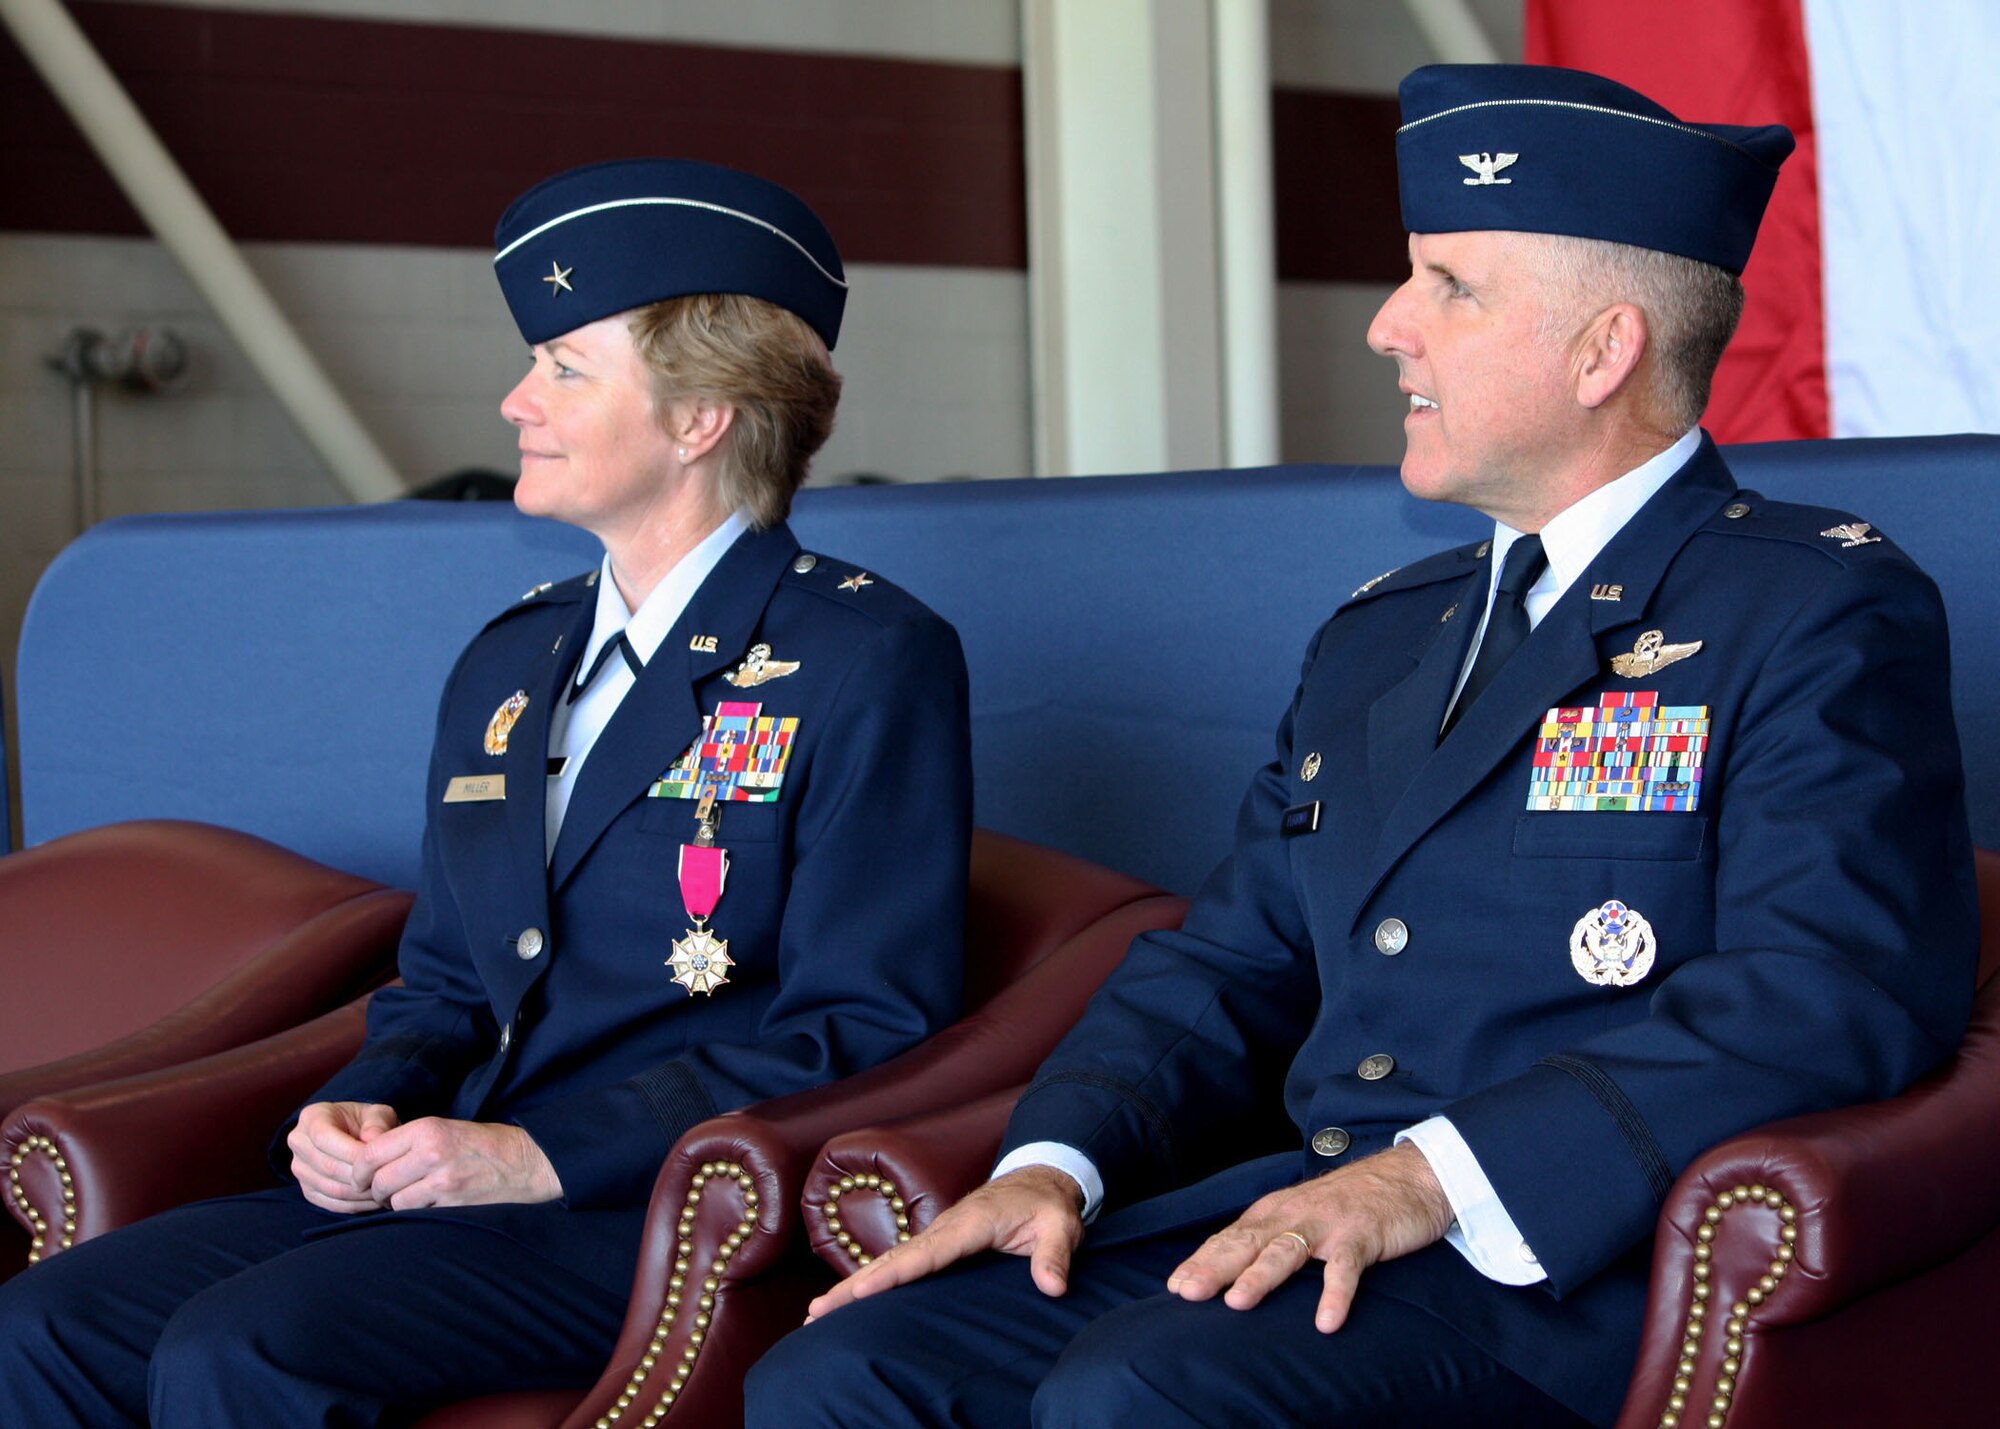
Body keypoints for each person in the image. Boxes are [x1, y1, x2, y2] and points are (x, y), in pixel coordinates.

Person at [745, 64, 1978, 1428]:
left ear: (1603, 349)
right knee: (843, 1368)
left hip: (1565, 1262)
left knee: (1139, 1390)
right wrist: (1055, 1162)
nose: (1391, 327)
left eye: (1449, 285)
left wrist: (1431, 1177)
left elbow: (1833, 990)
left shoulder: (1811, 605)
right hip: (1309, 1220)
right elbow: (1237, 959)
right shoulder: (1386, 634)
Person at [0, 158, 972, 1424]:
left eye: (566, 366)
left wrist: (537, 1154)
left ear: (700, 418)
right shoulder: (512, 656)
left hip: (640, 1203)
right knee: (41, 1324)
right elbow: (450, 977)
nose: (518, 399)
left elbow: (865, 1022)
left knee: (246, 1348)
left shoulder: (863, 657)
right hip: (445, 1166)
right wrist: (367, 1099)